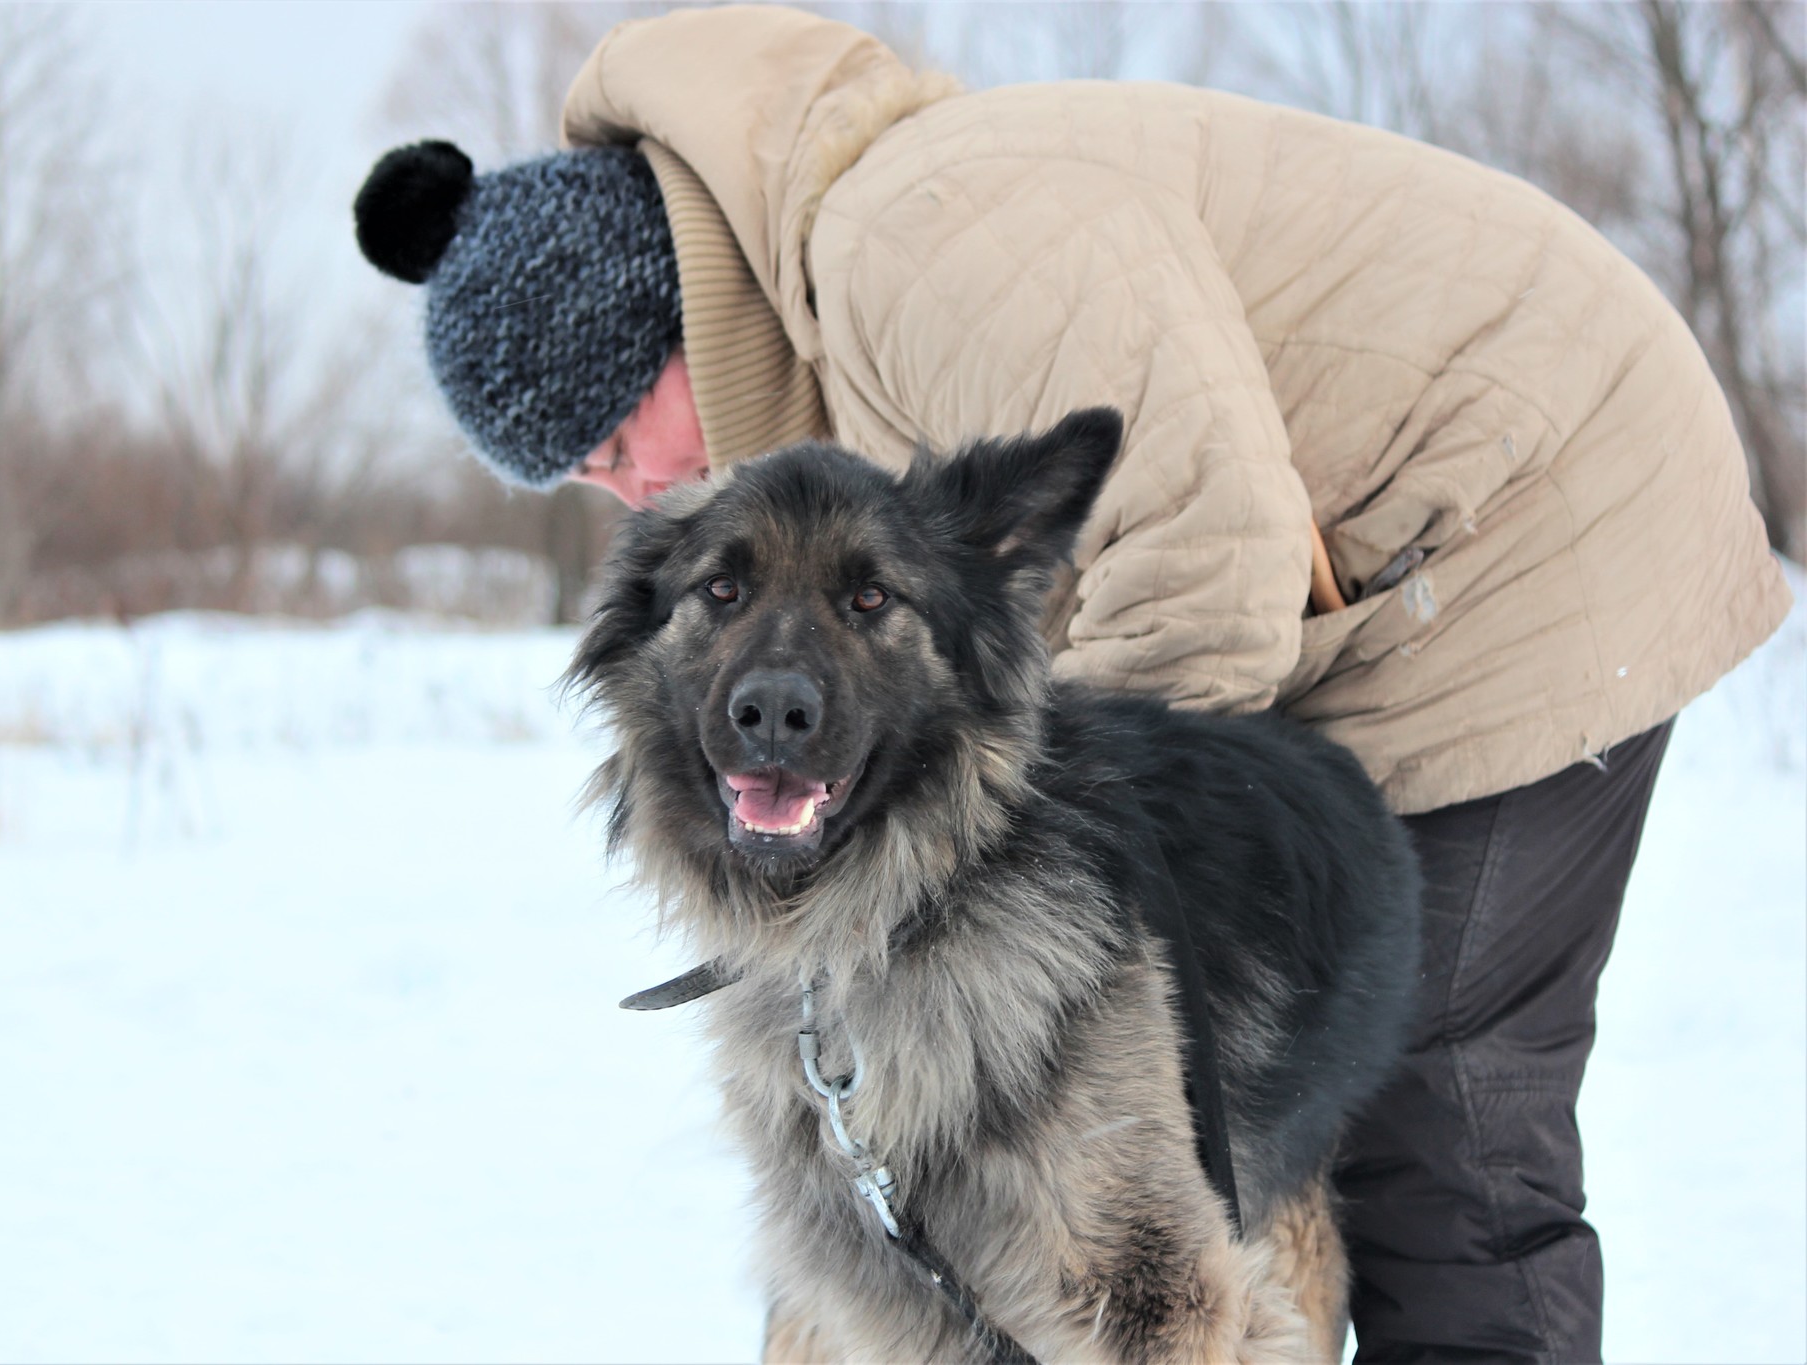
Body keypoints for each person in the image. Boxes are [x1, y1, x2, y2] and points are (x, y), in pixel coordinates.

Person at [353, 7, 1792, 1360]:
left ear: (659, 326)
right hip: (1378, 566)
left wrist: (1065, 898)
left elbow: (1199, 551)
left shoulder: (919, 249)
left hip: (1530, 521)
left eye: (611, 442)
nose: (633, 488)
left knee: (1445, 1113)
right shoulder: (832, 333)